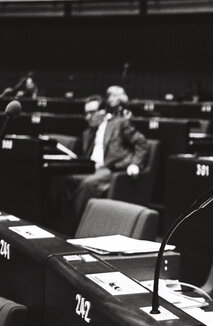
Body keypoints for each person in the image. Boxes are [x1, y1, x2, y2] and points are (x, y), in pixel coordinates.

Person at [57, 96, 148, 232]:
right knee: (66, 180)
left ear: (103, 111)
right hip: (90, 168)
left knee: (87, 185)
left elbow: (141, 143)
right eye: (86, 113)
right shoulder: (88, 132)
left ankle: (73, 229)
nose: (87, 117)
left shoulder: (119, 124)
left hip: (110, 169)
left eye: (91, 112)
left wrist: (134, 164)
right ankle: (63, 223)